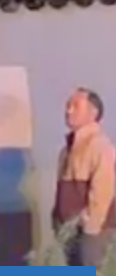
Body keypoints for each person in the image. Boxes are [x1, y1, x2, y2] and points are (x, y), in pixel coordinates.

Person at [54, 88, 115, 267]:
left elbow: (103, 190)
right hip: (68, 231)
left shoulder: (100, 146)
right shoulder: (66, 151)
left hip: (92, 233)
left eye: (75, 106)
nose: (68, 111)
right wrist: (58, 223)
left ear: (93, 113)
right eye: (67, 106)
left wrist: (91, 229)